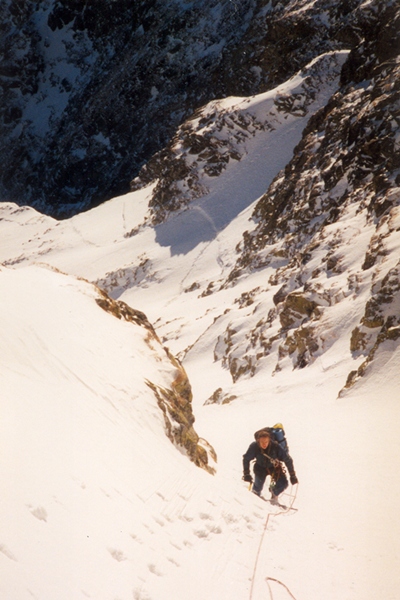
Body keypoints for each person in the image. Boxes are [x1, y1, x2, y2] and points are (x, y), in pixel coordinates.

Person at [242, 429, 298, 502]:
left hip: (274, 468)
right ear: (258, 441)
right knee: (257, 489)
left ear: (269, 440)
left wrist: (292, 475)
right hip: (260, 468)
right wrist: (246, 474)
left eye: (266, 442)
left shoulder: (275, 446)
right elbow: (246, 459)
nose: (264, 444)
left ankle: (274, 493)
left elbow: (288, 459)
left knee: (283, 484)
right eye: (262, 442)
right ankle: (254, 502)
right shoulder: (254, 446)